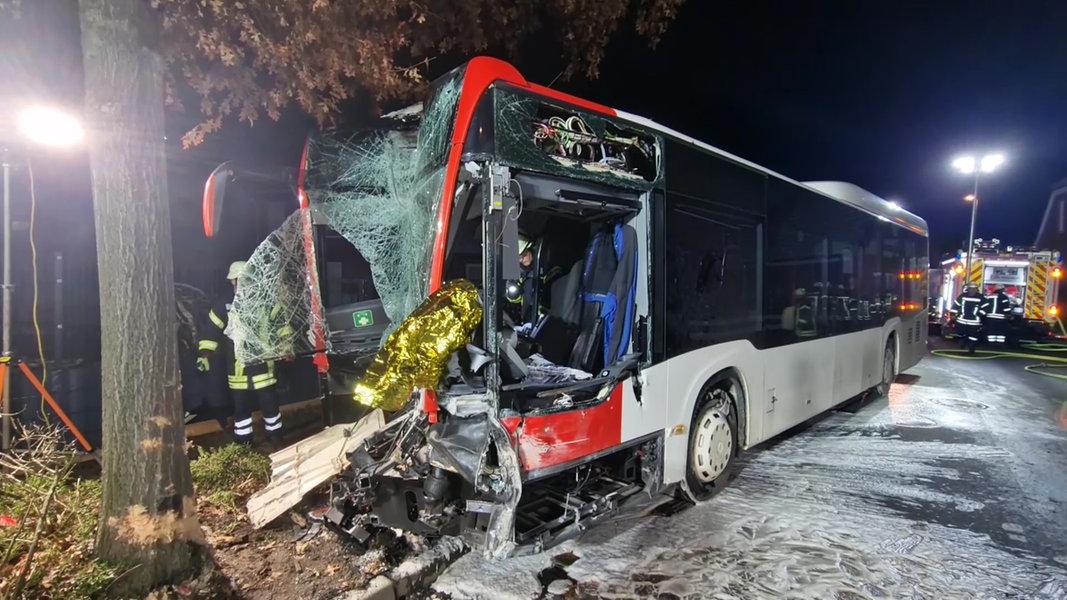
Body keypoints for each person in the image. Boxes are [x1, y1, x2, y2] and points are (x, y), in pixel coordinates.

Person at [197, 261, 284, 445]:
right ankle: (244, 441)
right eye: (235, 280)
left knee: (269, 404)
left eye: (241, 280)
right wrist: (205, 354)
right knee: (241, 407)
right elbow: (211, 331)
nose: (236, 284)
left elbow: (282, 325)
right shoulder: (225, 305)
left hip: (264, 365)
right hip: (238, 368)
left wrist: (286, 345)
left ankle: (276, 438)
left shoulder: (266, 301)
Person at [950, 282, 984, 353]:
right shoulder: (962, 296)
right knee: (961, 334)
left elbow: (985, 308)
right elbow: (955, 306)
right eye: (971, 289)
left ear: (976, 289)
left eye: (974, 289)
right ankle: (962, 343)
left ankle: (971, 348)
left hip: (974, 322)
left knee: (973, 337)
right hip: (962, 320)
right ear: (968, 289)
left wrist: (980, 316)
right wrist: (953, 314)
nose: (972, 290)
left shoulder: (981, 297)